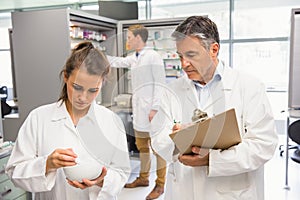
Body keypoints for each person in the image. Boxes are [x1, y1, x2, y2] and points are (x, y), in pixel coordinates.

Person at [150, 16, 278, 200]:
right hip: (183, 191)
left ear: (213, 49)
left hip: (232, 192)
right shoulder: (172, 91)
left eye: (191, 55)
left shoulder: (249, 87)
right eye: (180, 56)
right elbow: (157, 139)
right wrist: (180, 137)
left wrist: (212, 159)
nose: (184, 64)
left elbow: (263, 145)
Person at [5, 41, 131, 200]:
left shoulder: (111, 121)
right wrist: (47, 164)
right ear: (66, 76)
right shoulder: (39, 118)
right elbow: (14, 171)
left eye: (93, 90)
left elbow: (122, 172)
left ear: (102, 84)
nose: (83, 98)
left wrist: (101, 181)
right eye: (77, 87)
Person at [107, 24, 167, 200]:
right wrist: (99, 55)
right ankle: (143, 178)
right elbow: (118, 62)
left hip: (152, 112)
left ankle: (160, 184)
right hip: (140, 111)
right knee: (142, 147)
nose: (128, 41)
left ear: (139, 38)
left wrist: (155, 108)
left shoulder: (153, 56)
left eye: (129, 37)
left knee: (158, 148)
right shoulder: (135, 57)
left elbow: (160, 83)